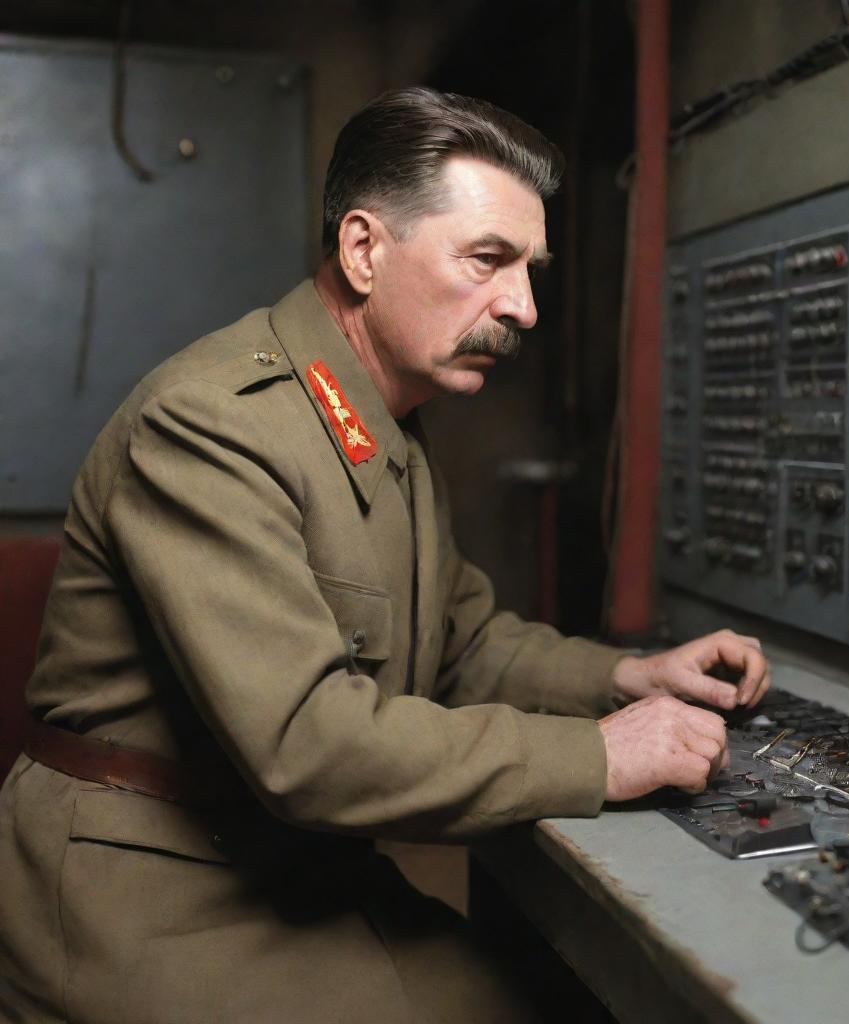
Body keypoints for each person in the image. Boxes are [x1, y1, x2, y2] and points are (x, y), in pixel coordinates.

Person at [0, 87, 770, 1023]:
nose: (523, 306)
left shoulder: (388, 424)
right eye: (488, 260)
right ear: (364, 250)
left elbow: (465, 643)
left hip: (295, 869)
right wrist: (598, 756)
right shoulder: (212, 423)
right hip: (147, 900)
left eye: (530, 268)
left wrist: (627, 674)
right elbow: (306, 747)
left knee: (559, 994)